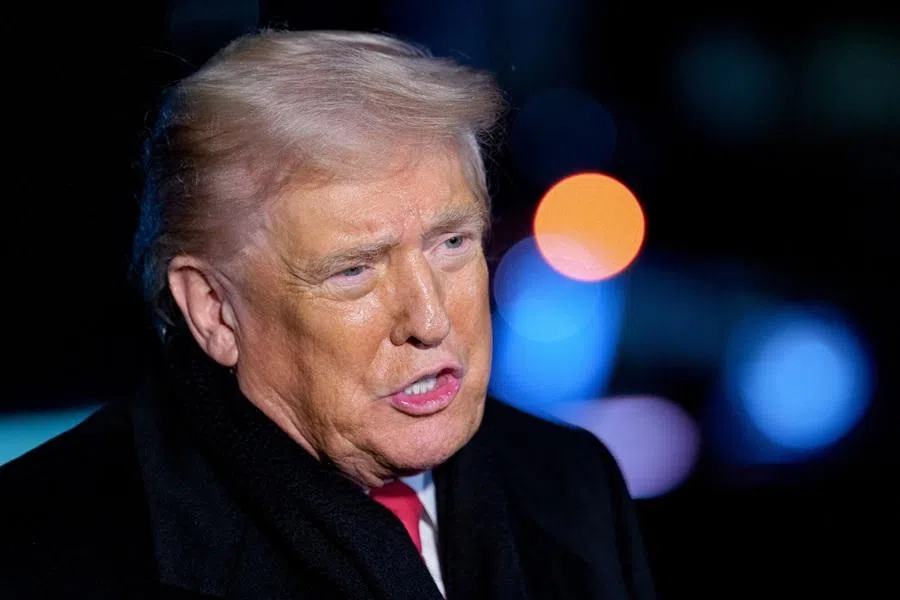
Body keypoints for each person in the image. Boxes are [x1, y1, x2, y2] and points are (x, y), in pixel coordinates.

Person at [0, 29, 656, 599]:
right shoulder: (45, 551)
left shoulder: (571, 482)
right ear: (212, 310)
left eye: (452, 243)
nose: (430, 320)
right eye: (354, 270)